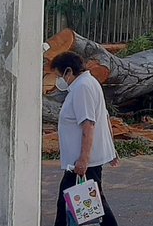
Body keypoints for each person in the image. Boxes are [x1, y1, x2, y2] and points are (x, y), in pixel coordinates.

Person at [52, 51, 119, 226]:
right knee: (91, 201)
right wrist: (111, 148)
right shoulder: (88, 83)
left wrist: (83, 159)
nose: (59, 80)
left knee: (76, 201)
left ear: (68, 71)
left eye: (59, 75)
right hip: (83, 160)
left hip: (82, 162)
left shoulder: (82, 88)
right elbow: (104, 116)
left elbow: (89, 124)